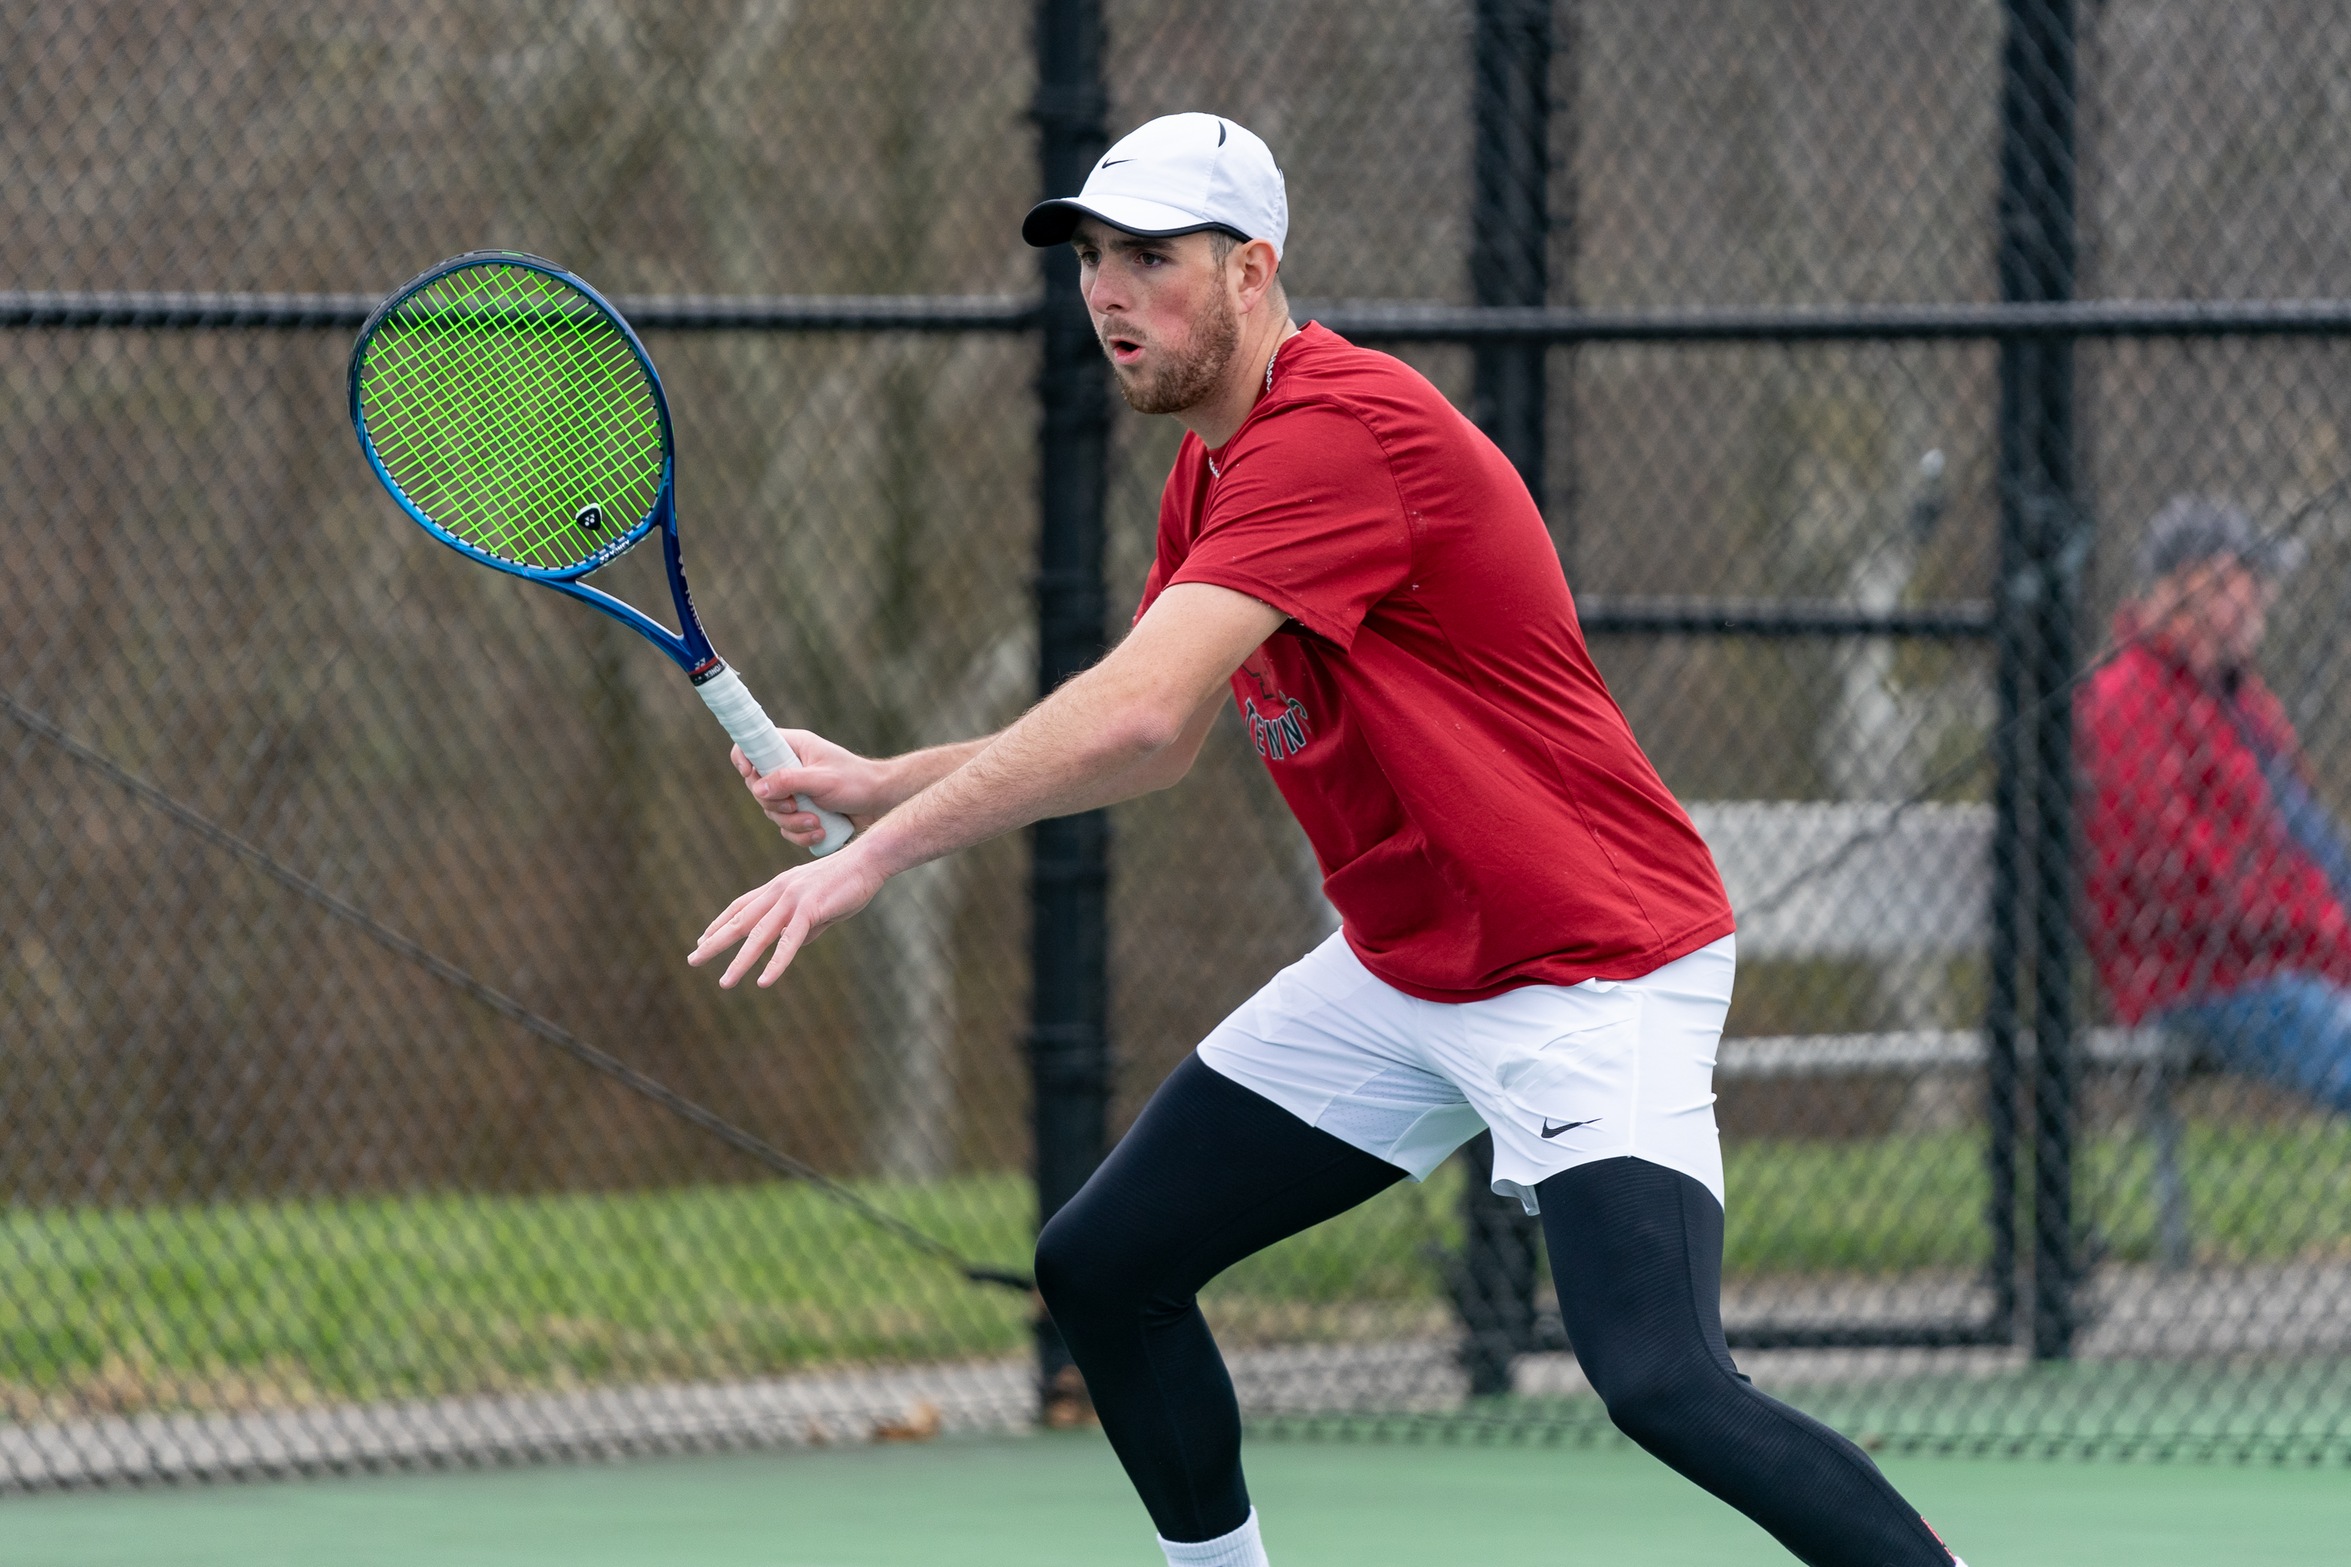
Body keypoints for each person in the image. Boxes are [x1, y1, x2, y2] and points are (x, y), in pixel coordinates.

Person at [690, 113, 1966, 1567]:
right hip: (1406, 969)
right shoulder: (1210, 468)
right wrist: (881, 781)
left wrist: (873, 851)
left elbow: (1130, 712)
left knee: (1662, 1381)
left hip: (1586, 969)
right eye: (1091, 257)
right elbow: (1157, 730)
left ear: (1251, 271)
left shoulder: (1333, 437)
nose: (1107, 291)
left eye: (1149, 258)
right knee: (1105, 1266)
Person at [2080, 495, 2351, 1112]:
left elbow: (2302, 847)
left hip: (2286, 958)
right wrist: (2319, 930)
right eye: (2239, 580)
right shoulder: (2128, 698)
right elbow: (2174, 870)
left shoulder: (2239, 701)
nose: (2261, 597)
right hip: (2202, 976)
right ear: (2184, 589)